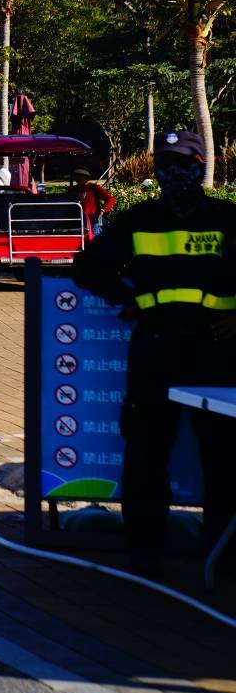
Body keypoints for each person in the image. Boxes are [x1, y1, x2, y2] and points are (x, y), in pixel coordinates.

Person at [71, 128, 236, 578]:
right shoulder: (139, 220)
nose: (172, 173)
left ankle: (221, 556)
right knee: (145, 456)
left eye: (182, 164)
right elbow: (86, 268)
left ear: (200, 166)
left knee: (224, 459)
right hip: (155, 350)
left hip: (216, 353)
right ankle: (144, 555)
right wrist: (125, 298)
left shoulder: (227, 218)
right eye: (164, 165)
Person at [67, 167, 115, 234]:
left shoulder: (94, 188)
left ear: (87, 178)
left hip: (94, 219)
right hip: (78, 220)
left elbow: (111, 199)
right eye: (77, 176)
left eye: (81, 177)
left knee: (95, 236)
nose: (78, 178)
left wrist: (103, 210)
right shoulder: (73, 189)